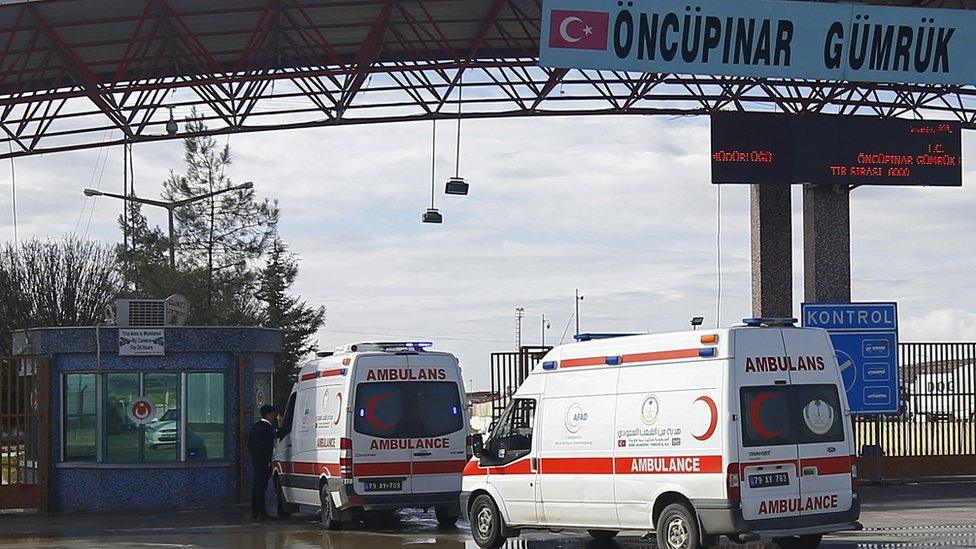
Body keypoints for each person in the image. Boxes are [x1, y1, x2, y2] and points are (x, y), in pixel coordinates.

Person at [248, 404, 279, 521]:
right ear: (268, 414)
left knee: (257, 486)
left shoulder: (255, 426)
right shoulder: (266, 428)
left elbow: (250, 445)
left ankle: (255, 512)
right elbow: (267, 447)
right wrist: (268, 461)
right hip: (263, 461)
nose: (275, 416)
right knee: (261, 487)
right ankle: (261, 513)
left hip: (256, 460)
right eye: (273, 414)